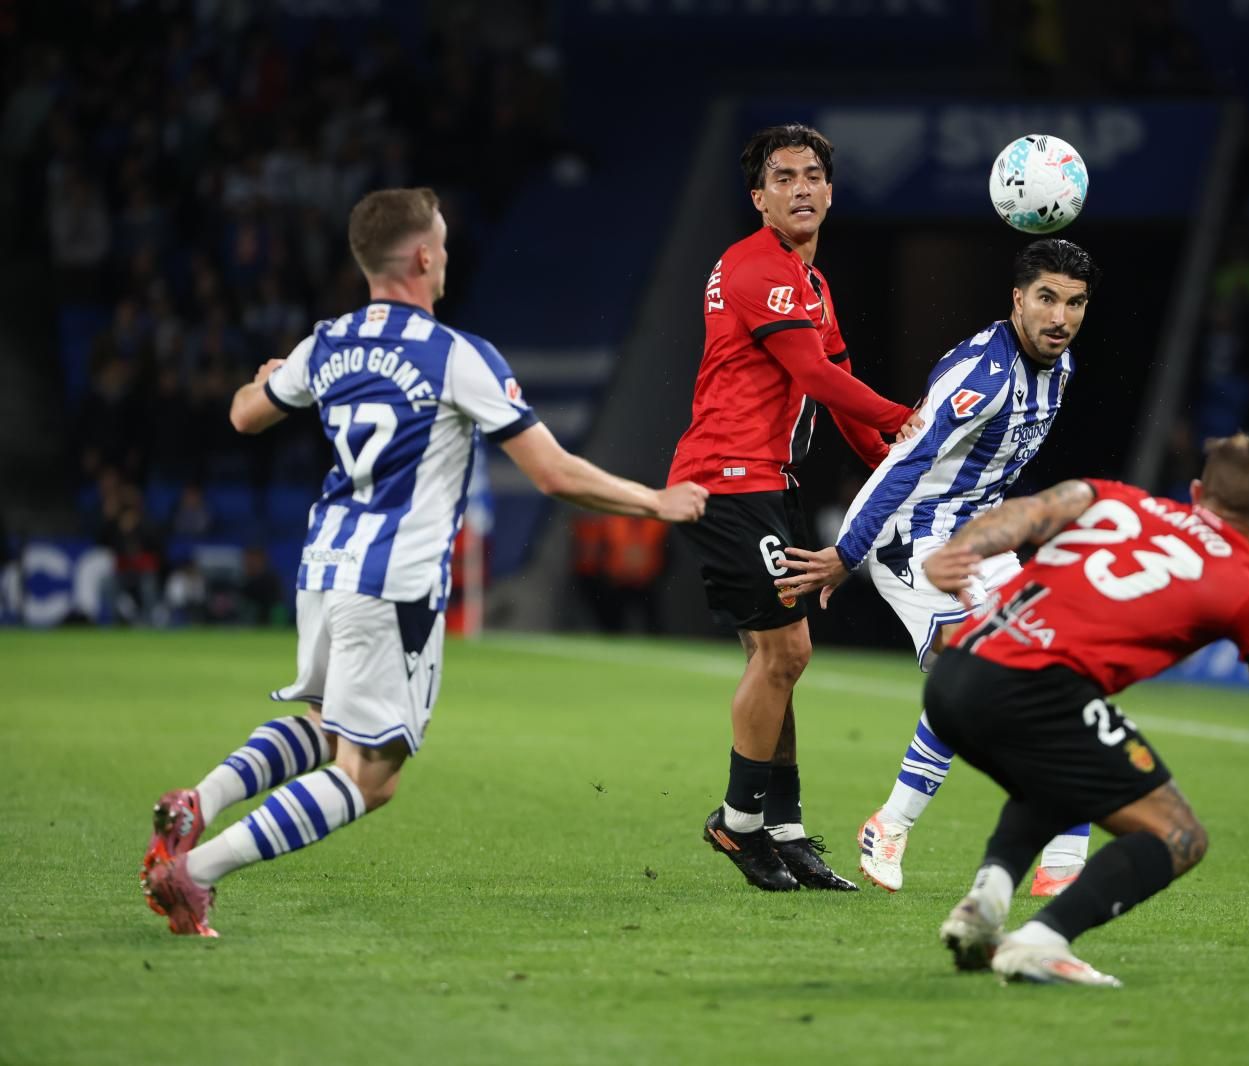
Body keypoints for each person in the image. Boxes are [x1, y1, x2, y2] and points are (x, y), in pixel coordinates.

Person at [139, 187, 708, 936]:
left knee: (322, 720)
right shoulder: (457, 356)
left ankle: (198, 804)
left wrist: (264, 375)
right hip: (393, 582)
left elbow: (246, 413)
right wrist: (653, 502)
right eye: (440, 241)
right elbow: (554, 474)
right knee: (371, 777)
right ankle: (194, 873)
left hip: (325, 567)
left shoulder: (328, 341)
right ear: (424, 256)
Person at [919, 434, 1249, 987]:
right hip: (1038, 689)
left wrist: (961, 551)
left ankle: (986, 901)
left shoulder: (1116, 498)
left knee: (1063, 779)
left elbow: (1029, 513)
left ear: (1198, 491)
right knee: (1179, 835)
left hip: (957, 672)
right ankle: (1043, 941)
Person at [777, 238, 1100, 896]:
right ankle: (903, 825)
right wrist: (847, 553)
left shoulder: (1062, 370)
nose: (1059, 317)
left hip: (981, 537)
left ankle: (1060, 848)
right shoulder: (979, 374)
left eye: (1074, 303)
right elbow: (904, 463)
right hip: (917, 539)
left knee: (1053, 666)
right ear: (1017, 300)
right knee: (977, 661)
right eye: (1046, 299)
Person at [669, 124, 918, 892]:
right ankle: (739, 825)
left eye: (813, 175)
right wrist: (912, 418)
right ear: (758, 197)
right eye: (784, 178)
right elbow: (816, 374)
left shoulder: (811, 283)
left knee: (774, 659)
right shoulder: (757, 268)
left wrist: (890, 469)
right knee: (787, 653)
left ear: (832, 190)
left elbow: (840, 397)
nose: (802, 188)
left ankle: (784, 829)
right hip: (728, 478)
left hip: (765, 480)